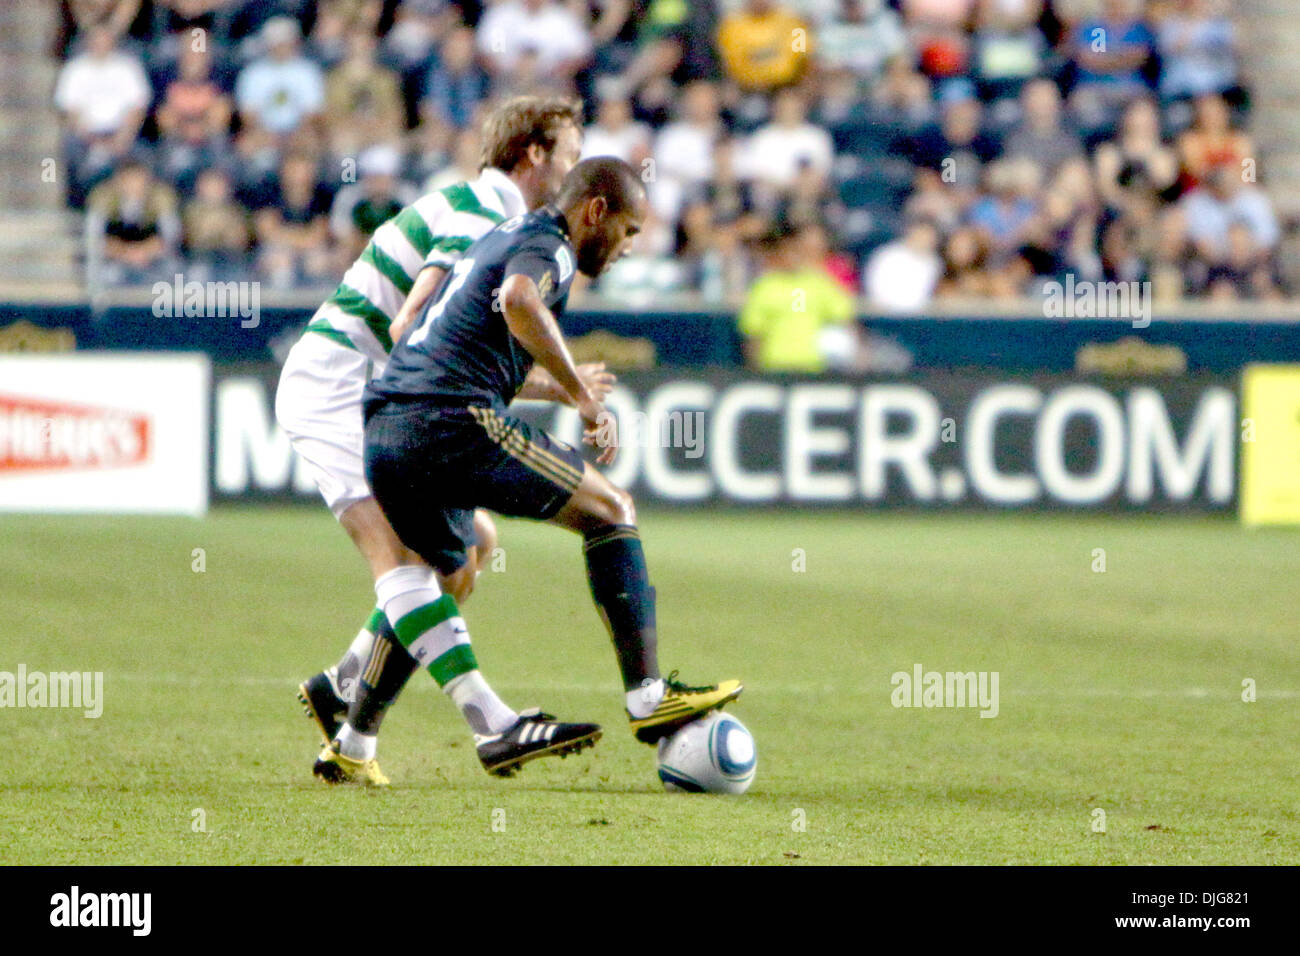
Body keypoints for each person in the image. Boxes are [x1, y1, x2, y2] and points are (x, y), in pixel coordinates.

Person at [354, 157, 743, 777]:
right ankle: (648, 698)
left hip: (386, 433)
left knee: (444, 580)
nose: (628, 247)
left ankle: (352, 743)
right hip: (450, 423)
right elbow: (518, 300)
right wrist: (582, 396)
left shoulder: (501, 237)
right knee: (611, 509)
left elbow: (449, 343)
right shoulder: (551, 246)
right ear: (595, 212)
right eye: (629, 230)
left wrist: (560, 388)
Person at [277, 96, 611, 784]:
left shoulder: (486, 211)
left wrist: (555, 387)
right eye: (571, 158)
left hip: (383, 392)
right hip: (341, 382)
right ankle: (493, 724)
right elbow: (411, 331)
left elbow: (435, 350)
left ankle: (346, 701)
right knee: (397, 553)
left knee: (468, 553)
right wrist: (567, 386)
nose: (577, 179)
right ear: (534, 155)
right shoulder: (486, 216)